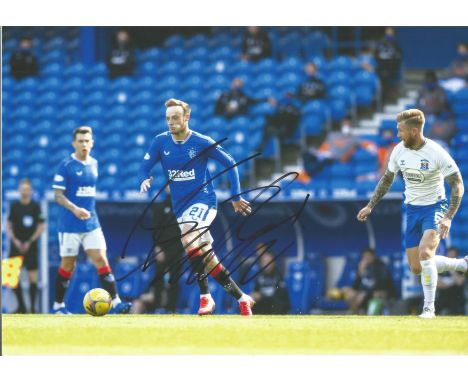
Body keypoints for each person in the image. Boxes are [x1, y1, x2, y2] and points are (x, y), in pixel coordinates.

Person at [139, 98, 255, 316]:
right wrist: (144, 178)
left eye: (175, 118)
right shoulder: (160, 142)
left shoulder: (201, 142)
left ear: (186, 118)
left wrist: (236, 196)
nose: (171, 122)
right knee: (208, 259)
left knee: (188, 236)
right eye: (167, 119)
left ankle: (205, 298)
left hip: (204, 200)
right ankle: (242, 297)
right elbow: (143, 167)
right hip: (180, 207)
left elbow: (230, 163)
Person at [357, 109, 467, 318]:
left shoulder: (436, 152)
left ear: (414, 131)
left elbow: (458, 185)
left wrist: (449, 217)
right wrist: (370, 205)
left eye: (401, 130)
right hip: (412, 210)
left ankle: (429, 309)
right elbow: (387, 179)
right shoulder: (399, 150)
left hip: (435, 207)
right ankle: (461, 265)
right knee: (417, 267)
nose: (397, 134)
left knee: (426, 253)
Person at [51, 126, 132, 314]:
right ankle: (58, 306)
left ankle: (117, 302)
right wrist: (75, 209)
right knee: (68, 265)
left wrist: (85, 211)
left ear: (92, 143)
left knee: (101, 259)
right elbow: (57, 195)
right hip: (70, 225)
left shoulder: (94, 164)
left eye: (87, 141)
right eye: (80, 141)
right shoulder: (66, 166)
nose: (84, 144)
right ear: (74, 143)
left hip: (91, 223)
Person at [132, 186, 185, 313]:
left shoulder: (183, 206)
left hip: (178, 247)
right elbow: (156, 229)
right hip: (163, 247)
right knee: (158, 279)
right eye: (169, 186)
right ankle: (156, 307)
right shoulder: (160, 207)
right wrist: (157, 247)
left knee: (175, 279)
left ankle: (172, 309)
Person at [6, 178, 45, 313]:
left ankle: (33, 309)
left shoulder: (35, 206)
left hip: (31, 246)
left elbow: (41, 226)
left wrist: (30, 241)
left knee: (32, 277)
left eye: (27, 189)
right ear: (19, 190)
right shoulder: (14, 206)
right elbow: (9, 225)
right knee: (10, 277)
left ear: (30, 190)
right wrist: (15, 240)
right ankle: (21, 307)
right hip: (16, 245)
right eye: (22, 189)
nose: (25, 191)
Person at [342, 248, 393, 315]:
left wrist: (366, 293)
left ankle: (370, 318)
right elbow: (355, 286)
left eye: (368, 256)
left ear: (373, 256)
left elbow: (382, 285)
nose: (366, 258)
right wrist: (360, 272)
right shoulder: (361, 266)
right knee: (350, 295)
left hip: (377, 291)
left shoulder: (380, 266)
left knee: (373, 295)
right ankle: (355, 317)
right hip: (364, 292)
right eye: (364, 256)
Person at [251, 246, 290, 314]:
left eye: (268, 262)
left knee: (276, 302)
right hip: (263, 304)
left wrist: (262, 296)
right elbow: (255, 292)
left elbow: (281, 295)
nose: (266, 264)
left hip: (275, 304)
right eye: (264, 262)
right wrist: (253, 296)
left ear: (273, 262)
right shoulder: (259, 276)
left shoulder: (278, 274)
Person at [374, 27, 402, 102]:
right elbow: (376, 55)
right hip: (382, 68)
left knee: (390, 83)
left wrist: (393, 65)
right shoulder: (380, 43)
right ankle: (383, 100)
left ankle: (390, 99)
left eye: (390, 32)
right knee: (382, 82)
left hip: (391, 69)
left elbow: (399, 57)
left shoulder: (395, 44)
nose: (389, 33)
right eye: (387, 32)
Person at [436, 247, 466, 315]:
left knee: (457, 304)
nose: (451, 258)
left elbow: (460, 282)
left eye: (453, 256)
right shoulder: (441, 268)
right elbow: (438, 284)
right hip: (443, 296)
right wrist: (451, 282)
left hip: (456, 297)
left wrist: (452, 270)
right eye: (449, 256)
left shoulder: (461, 268)